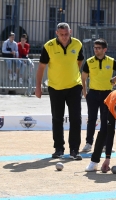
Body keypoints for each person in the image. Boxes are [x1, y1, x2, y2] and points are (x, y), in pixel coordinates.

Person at [35, 22, 84, 160]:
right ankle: (59, 149)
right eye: (61, 34)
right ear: (57, 33)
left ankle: (74, 149)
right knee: (57, 118)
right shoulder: (48, 46)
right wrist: (38, 87)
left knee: (76, 118)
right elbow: (41, 68)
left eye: (66, 34)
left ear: (71, 32)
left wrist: (72, 73)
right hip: (55, 88)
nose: (64, 37)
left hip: (74, 86)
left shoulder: (78, 44)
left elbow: (79, 62)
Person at [81, 38, 116, 152]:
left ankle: (104, 144)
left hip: (107, 94)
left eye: (98, 48)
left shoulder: (111, 61)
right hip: (92, 93)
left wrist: (114, 80)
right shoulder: (89, 61)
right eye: (95, 48)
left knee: (106, 119)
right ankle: (88, 143)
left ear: (104, 49)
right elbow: (83, 78)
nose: (96, 50)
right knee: (92, 119)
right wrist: (85, 93)